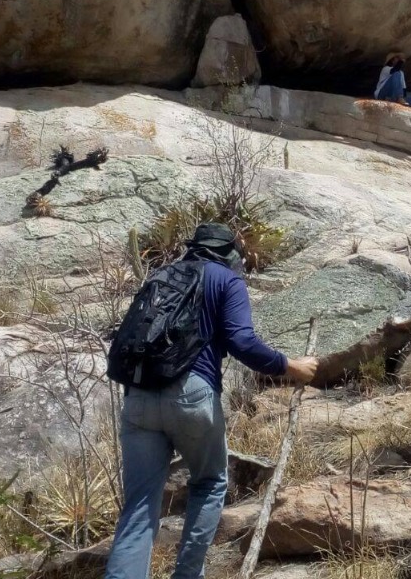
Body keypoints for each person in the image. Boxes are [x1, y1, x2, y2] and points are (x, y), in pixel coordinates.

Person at [104, 223, 319, 579]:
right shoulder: (226, 279)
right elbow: (242, 342)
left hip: (139, 398)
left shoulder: (160, 276)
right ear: (230, 251)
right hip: (192, 395)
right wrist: (290, 366)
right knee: (209, 482)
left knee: (139, 506)